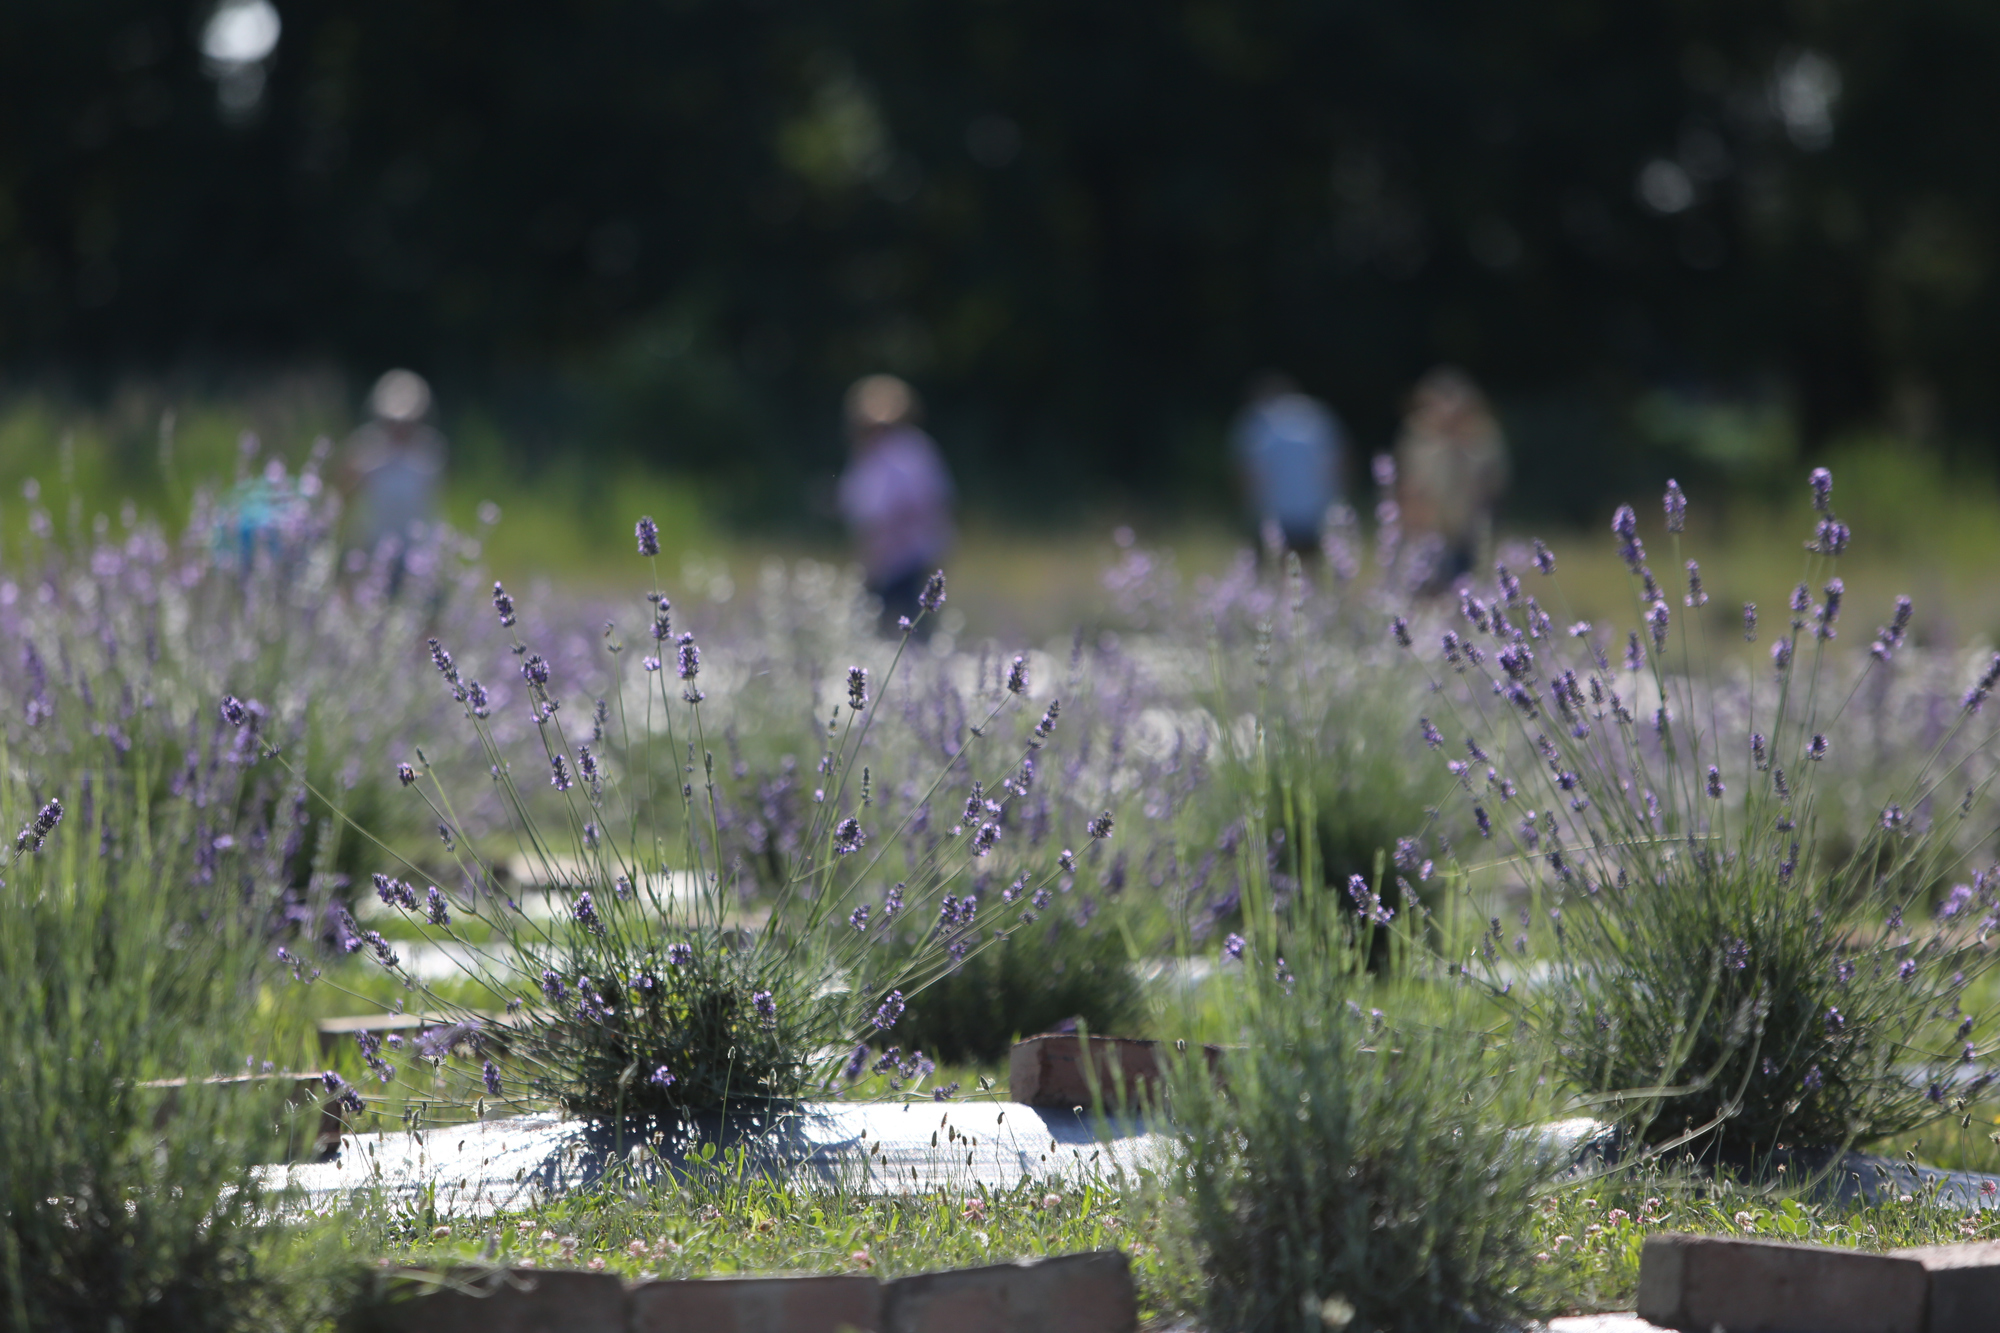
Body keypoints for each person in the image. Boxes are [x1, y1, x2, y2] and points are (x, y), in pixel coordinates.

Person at [836, 374, 954, 632]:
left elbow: (928, 502)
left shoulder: (911, 451)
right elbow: (855, 503)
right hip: (877, 562)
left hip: (910, 559)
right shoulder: (865, 455)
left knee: (910, 631)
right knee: (875, 632)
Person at [1393, 366, 1508, 590]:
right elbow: (1406, 483)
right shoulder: (1417, 435)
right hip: (1425, 531)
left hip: (1467, 533)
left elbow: (1494, 484)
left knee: (1466, 593)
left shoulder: (1484, 437)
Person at [341, 369, 446, 591]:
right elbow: (344, 490)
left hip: (416, 555)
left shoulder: (428, 452)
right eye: (393, 421)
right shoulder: (367, 447)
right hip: (373, 550)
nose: (399, 429)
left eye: (406, 422)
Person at [1230, 373, 1344, 556]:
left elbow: (1247, 475)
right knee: (1309, 574)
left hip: (1273, 516)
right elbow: (1339, 463)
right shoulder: (1317, 417)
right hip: (1314, 513)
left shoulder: (1256, 423)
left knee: (1278, 574)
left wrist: (1248, 511)